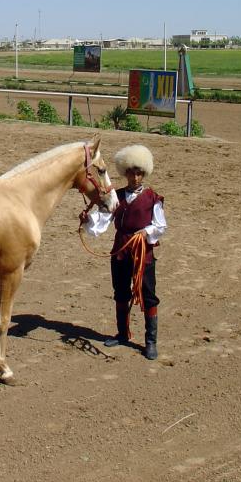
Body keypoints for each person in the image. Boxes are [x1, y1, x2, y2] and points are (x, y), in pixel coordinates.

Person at [81, 144, 166, 360]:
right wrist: (87, 220)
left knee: (148, 295)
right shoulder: (116, 196)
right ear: (125, 173)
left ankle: (150, 342)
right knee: (120, 292)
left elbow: (160, 226)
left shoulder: (153, 198)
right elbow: (103, 220)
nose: (135, 178)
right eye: (131, 173)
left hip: (143, 253)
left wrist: (146, 232)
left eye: (139, 174)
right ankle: (122, 334)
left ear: (144, 174)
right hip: (120, 250)